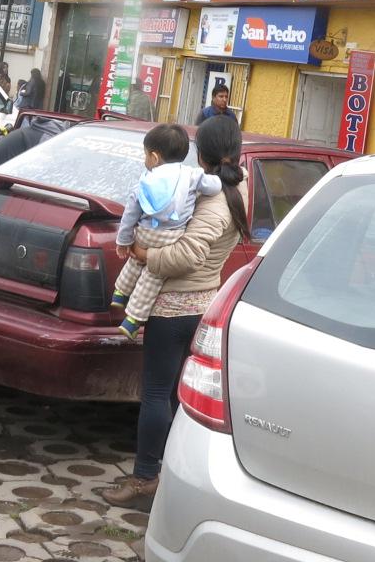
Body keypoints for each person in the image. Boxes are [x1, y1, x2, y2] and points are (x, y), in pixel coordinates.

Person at [102, 115, 247, 508]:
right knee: (176, 397)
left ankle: (146, 480)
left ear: (202, 153)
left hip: (174, 308)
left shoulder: (216, 202)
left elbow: (186, 254)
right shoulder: (236, 186)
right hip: (200, 306)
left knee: (155, 393)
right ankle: (169, 474)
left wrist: (143, 252)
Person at [111, 124, 218, 338]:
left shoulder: (145, 180)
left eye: (145, 155)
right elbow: (214, 186)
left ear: (154, 156)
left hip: (144, 233)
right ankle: (132, 321)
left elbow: (130, 215)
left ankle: (119, 293)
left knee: (134, 260)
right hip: (170, 237)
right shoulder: (190, 175)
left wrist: (123, 241)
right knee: (152, 277)